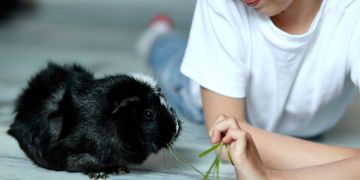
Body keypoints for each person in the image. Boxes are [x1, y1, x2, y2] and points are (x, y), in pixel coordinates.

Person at [136, 0, 360, 179]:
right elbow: (226, 141)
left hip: (309, 128)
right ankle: (158, 35)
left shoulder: (352, 11)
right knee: (174, 66)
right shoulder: (222, 3)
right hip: (204, 103)